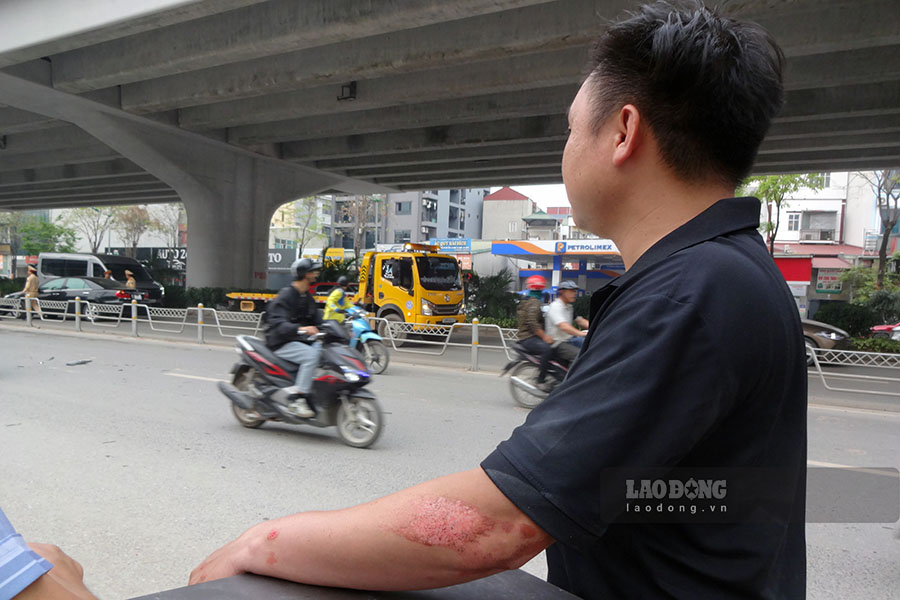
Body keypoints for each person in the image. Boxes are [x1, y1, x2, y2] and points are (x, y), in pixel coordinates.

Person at [191, 3, 806, 598]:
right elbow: (682, 492)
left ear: (623, 132)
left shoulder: (687, 293)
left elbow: (493, 526)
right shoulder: (730, 272)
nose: (566, 149)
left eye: (571, 129)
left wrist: (263, 544)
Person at [263, 258, 323, 419]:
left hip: (297, 340)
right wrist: (302, 329)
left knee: (323, 350)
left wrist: (340, 326)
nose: (316, 274)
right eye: (313, 271)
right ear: (305, 274)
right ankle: (297, 399)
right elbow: (278, 323)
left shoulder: (306, 297)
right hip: (280, 342)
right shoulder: (286, 295)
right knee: (311, 356)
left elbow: (318, 319)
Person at [515, 275, 555, 390]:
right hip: (528, 337)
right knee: (547, 349)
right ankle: (540, 380)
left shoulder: (526, 300)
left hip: (527, 336)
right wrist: (544, 336)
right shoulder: (534, 302)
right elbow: (532, 322)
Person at [544, 280, 589, 363]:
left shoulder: (569, 307)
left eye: (575, 291)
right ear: (562, 292)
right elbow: (564, 326)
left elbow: (580, 321)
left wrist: (597, 326)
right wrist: (581, 333)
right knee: (580, 356)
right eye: (571, 291)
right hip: (557, 342)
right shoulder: (555, 307)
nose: (574, 294)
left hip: (569, 340)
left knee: (590, 346)